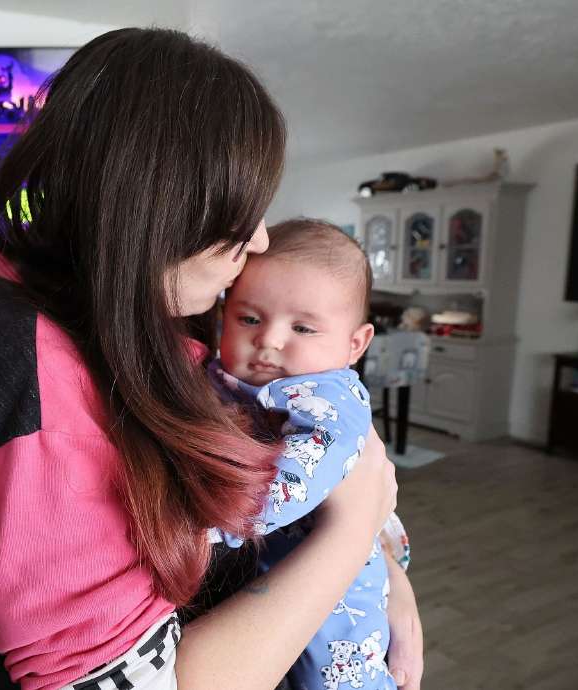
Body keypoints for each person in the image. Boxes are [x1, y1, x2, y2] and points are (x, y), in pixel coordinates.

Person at [0, 28, 423, 690]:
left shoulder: (163, 315)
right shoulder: (26, 390)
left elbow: (316, 428)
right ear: (156, 209)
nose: (259, 238)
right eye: (239, 214)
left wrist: (385, 583)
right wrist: (350, 531)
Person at [208, 218, 405, 690]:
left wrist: (215, 521)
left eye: (302, 327)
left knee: (334, 676)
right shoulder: (224, 378)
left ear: (355, 344)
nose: (270, 340)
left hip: (338, 590)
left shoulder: (330, 396)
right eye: (249, 319)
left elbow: (303, 471)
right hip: (271, 580)